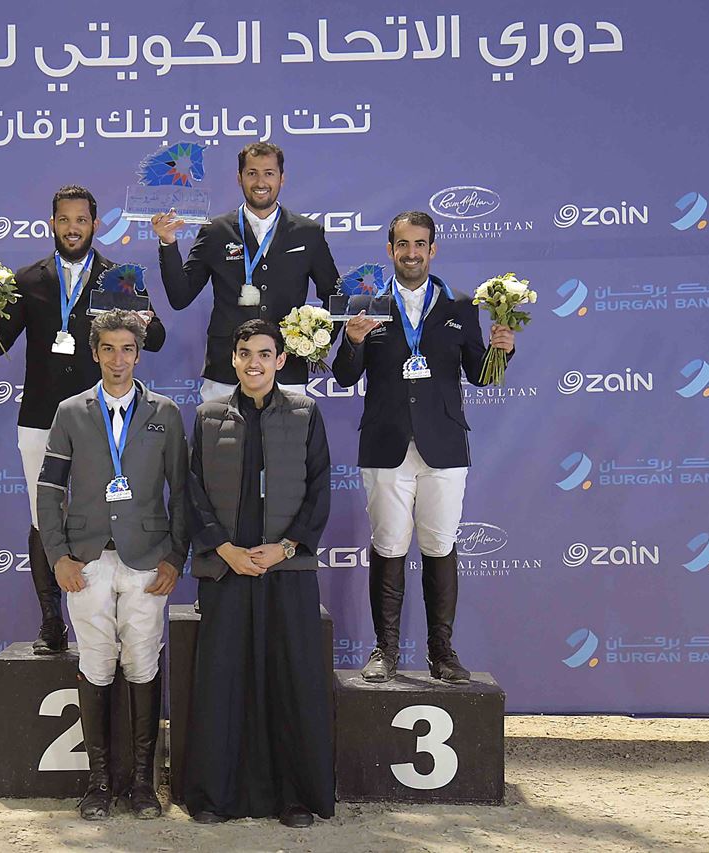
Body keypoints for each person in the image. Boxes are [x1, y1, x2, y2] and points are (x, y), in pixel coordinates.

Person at [0, 186, 167, 656]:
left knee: (103, 513)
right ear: (52, 224)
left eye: (81, 220)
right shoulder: (26, 280)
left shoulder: (117, 277)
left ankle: (106, 627)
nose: (73, 228)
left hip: (103, 419)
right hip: (40, 418)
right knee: (44, 519)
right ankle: (51, 623)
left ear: (95, 224)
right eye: (64, 220)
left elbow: (155, 338)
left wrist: (141, 314)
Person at [330, 211, 515, 684]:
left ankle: (443, 653)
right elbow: (346, 376)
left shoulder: (459, 305)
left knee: (439, 546)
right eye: (402, 245)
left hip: (445, 445)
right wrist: (351, 342)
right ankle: (384, 652)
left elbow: (480, 375)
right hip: (386, 444)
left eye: (420, 245)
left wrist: (502, 350)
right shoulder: (366, 304)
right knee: (388, 546)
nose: (411, 253)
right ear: (389, 250)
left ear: (433, 250)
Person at [35, 310, 188, 820]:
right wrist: (58, 555)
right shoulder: (70, 411)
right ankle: (100, 784)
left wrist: (175, 556)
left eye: (127, 349)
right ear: (94, 352)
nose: (118, 359)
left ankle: (143, 786)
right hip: (86, 560)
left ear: (138, 354)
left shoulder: (165, 413)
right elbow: (51, 488)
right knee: (97, 663)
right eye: (108, 349)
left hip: (147, 561)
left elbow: (183, 493)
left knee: (143, 662)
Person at [183, 319, 333, 827]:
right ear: (233, 358)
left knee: (288, 679)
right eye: (245, 352)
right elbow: (192, 493)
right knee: (222, 681)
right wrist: (225, 550)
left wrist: (285, 548)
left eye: (265, 354)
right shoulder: (206, 416)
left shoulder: (306, 413)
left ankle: (293, 796)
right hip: (227, 570)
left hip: (285, 570)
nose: (254, 363)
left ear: (281, 361)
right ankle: (214, 797)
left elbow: (319, 490)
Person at [151, 142, 339, 402]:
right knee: (222, 442)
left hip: (287, 370)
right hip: (225, 372)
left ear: (281, 179)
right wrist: (168, 243)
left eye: (269, 173)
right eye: (252, 173)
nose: (260, 181)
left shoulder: (308, 232)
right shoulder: (215, 231)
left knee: (286, 443)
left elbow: (334, 296)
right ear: (239, 178)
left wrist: (318, 341)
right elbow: (180, 296)